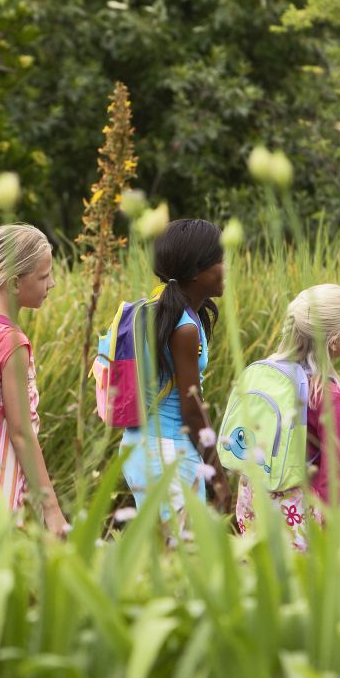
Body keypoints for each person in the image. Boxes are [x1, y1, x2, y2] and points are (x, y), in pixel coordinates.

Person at [122, 218, 233, 522]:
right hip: (166, 451)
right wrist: (218, 478)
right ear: (197, 271)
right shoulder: (183, 327)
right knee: (181, 557)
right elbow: (192, 410)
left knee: (165, 556)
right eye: (220, 259)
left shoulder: (160, 309)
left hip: (140, 446)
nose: (227, 267)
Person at [0, 224, 67, 534]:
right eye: (44, 277)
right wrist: (52, 509)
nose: (53, 283)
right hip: (8, 479)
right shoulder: (11, 342)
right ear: (16, 282)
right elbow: (21, 434)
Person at [234, 284, 340, 550]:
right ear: (333, 342)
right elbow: (333, 472)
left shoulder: (269, 373)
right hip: (297, 509)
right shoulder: (328, 394)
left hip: (253, 496)